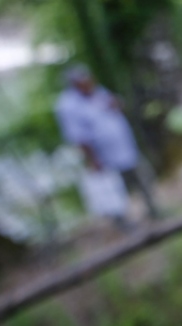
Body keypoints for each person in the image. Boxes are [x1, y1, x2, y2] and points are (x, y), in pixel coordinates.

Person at [54, 65, 158, 221]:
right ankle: (125, 225)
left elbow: (115, 106)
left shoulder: (97, 91)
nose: (89, 82)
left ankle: (153, 211)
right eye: (83, 81)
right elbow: (78, 136)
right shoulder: (67, 105)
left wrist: (117, 104)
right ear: (75, 84)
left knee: (143, 178)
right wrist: (92, 160)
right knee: (112, 191)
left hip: (125, 147)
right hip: (103, 157)